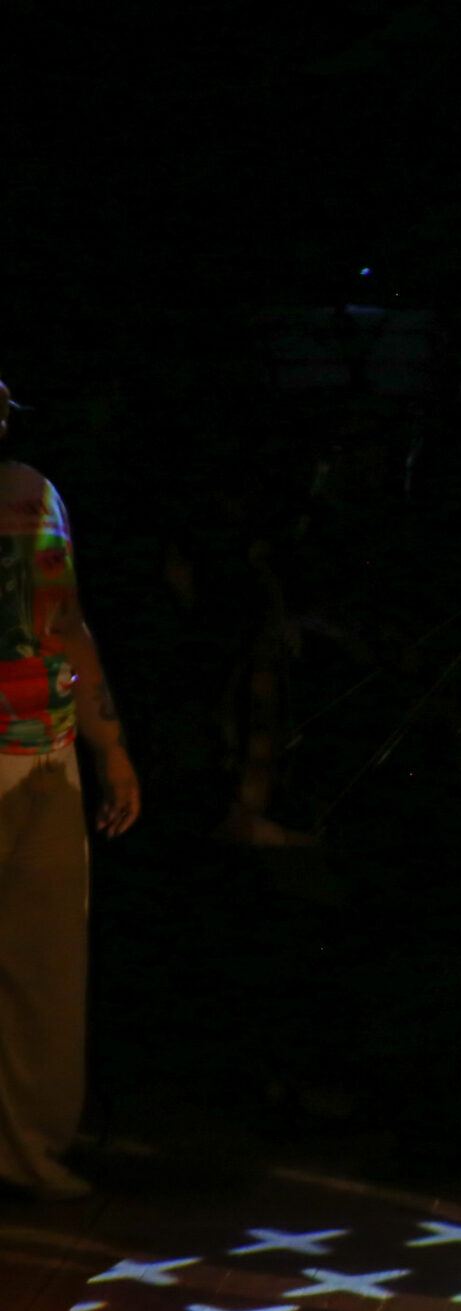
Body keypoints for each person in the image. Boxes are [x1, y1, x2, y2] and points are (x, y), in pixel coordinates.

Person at [1, 377, 141, 1202]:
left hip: (47, 756)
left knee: (44, 969)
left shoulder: (34, 492)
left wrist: (108, 746)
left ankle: (29, 1151)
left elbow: (66, 619)